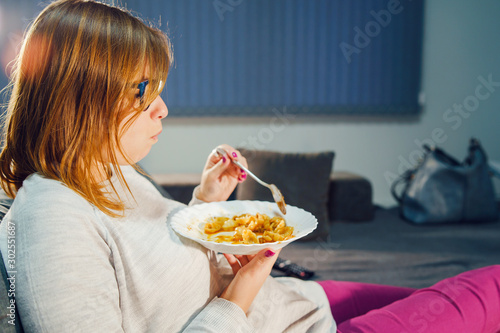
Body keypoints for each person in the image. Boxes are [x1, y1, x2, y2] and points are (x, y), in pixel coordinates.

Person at [0, 1, 498, 332]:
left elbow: (155, 261)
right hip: (275, 322)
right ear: (82, 95)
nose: (162, 109)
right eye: (142, 92)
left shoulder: (107, 168)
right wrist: (238, 295)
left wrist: (206, 201)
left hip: (291, 305)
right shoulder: (53, 217)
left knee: (434, 297)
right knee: (489, 287)